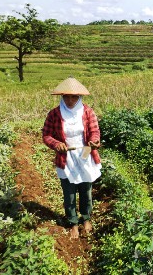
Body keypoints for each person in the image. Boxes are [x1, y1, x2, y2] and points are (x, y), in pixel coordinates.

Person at [42, 77, 101, 239]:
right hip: (65, 156)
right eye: (66, 97)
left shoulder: (88, 112)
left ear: (79, 97)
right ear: (62, 97)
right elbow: (46, 135)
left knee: (85, 190)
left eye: (73, 97)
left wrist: (94, 141)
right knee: (69, 193)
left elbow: (95, 131)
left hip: (84, 153)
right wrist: (56, 144)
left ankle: (86, 218)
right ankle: (73, 222)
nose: (70, 100)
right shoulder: (54, 114)